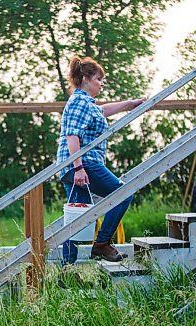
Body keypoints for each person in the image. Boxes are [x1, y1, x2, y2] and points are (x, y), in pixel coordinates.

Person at [56, 56, 144, 265]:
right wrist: (78, 168)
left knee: (77, 217)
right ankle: (102, 244)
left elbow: (103, 110)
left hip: (75, 165)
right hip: (83, 163)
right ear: (85, 78)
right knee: (123, 194)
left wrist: (129, 104)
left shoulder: (87, 103)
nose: (102, 83)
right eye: (99, 79)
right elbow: (72, 136)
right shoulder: (79, 101)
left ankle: (67, 270)